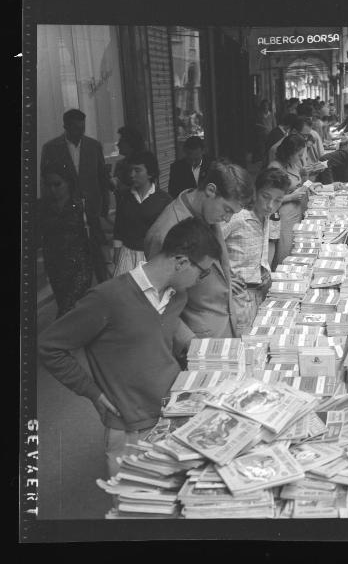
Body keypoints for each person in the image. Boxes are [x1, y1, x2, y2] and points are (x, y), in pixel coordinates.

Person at [38, 218, 222, 476]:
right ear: (181, 262)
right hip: (129, 425)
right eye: (203, 272)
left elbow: (154, 335)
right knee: (133, 507)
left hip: (171, 411)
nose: (202, 280)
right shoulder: (107, 298)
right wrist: (92, 391)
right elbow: (49, 346)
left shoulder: (178, 296)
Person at [144, 159, 254, 338]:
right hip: (198, 344)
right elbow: (160, 302)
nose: (227, 219)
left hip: (225, 331)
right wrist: (191, 343)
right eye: (227, 210)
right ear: (210, 190)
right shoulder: (164, 231)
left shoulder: (206, 213)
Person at [40, 108, 110, 282]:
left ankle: (103, 287)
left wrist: (104, 210)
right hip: (67, 209)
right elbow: (46, 182)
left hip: (92, 209)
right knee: (73, 254)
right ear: (66, 127)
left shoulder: (94, 146)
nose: (80, 132)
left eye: (82, 128)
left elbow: (103, 179)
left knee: (98, 252)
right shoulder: (51, 148)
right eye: (75, 128)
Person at [221, 168, 291, 336]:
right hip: (237, 295)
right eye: (265, 197)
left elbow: (269, 243)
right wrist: (226, 276)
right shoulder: (238, 216)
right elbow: (208, 245)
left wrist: (265, 267)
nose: (270, 205)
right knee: (242, 341)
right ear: (255, 191)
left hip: (257, 291)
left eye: (278, 200)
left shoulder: (269, 217)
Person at [37, 162, 97, 318]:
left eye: (57, 184)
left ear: (68, 183)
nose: (53, 190)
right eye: (48, 185)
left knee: (67, 309)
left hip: (79, 267)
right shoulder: (43, 208)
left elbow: (97, 233)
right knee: (66, 306)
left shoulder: (81, 205)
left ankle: (59, 339)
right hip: (55, 267)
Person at [112, 151, 172, 276]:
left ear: (150, 173)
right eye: (131, 170)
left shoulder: (164, 200)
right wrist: (117, 257)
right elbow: (118, 230)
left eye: (137, 170)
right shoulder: (124, 198)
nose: (132, 175)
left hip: (152, 258)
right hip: (127, 256)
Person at [267, 134, 310, 267]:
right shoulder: (275, 167)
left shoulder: (293, 164)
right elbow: (270, 198)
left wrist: (305, 180)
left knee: (294, 249)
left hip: (296, 212)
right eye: (298, 155)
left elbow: (298, 185)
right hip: (283, 217)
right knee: (284, 254)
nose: (300, 158)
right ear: (290, 152)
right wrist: (291, 197)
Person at [112, 126, 146, 194]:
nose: (118, 144)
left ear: (131, 143)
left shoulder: (143, 164)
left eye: (121, 141)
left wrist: (119, 185)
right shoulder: (120, 164)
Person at [254, 99, 276, 164]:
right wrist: (261, 126)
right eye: (264, 105)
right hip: (261, 134)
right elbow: (255, 123)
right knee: (262, 148)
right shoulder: (259, 114)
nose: (265, 107)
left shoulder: (271, 115)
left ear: (268, 106)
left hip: (270, 134)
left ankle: (267, 161)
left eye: (266, 105)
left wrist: (273, 133)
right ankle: (263, 161)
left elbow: (274, 124)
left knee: (268, 148)